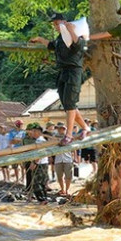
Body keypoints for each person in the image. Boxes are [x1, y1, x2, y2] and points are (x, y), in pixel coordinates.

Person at [30, 12, 91, 145]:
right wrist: (40, 39)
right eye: (54, 24)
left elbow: (79, 46)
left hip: (74, 71)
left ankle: (68, 135)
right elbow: (52, 45)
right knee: (67, 103)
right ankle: (86, 128)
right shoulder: (60, 37)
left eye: (57, 23)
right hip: (63, 71)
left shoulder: (73, 33)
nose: (56, 26)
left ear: (64, 21)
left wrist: (70, 29)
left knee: (70, 103)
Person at [25, 123, 49, 203]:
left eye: (33, 131)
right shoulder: (42, 140)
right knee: (42, 183)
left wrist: (34, 163)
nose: (32, 133)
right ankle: (44, 198)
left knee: (36, 183)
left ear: (38, 132)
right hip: (43, 163)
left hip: (40, 164)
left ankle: (42, 200)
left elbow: (39, 154)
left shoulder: (39, 141)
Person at [54, 126, 75, 196]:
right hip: (58, 159)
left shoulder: (69, 137)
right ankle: (62, 189)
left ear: (65, 129)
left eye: (62, 128)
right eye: (59, 128)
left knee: (68, 176)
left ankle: (67, 190)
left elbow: (74, 148)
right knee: (59, 176)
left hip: (68, 159)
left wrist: (75, 158)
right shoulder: (54, 138)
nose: (60, 130)